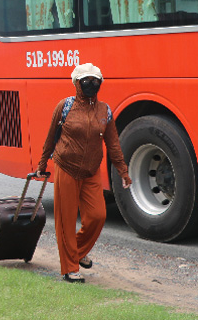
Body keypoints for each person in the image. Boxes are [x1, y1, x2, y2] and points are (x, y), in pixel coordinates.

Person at [36, 63, 132, 284]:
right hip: (66, 167)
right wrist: (42, 164)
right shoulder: (65, 106)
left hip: (90, 171)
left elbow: (114, 145)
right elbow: (51, 137)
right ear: (76, 83)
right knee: (66, 220)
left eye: (96, 80)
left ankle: (76, 251)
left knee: (98, 216)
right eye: (86, 80)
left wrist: (123, 172)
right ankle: (70, 268)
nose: (91, 84)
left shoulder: (104, 111)